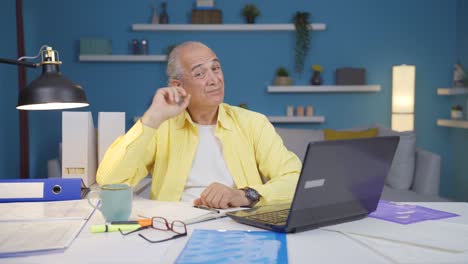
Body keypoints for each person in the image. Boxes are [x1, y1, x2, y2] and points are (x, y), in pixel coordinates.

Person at [96, 41, 301, 209]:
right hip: (174, 226)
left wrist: (246, 195)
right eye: (200, 74)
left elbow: (295, 180)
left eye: (216, 68)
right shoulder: (161, 127)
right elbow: (110, 181)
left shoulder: (253, 123)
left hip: (241, 223)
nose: (214, 80)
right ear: (177, 86)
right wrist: (151, 119)